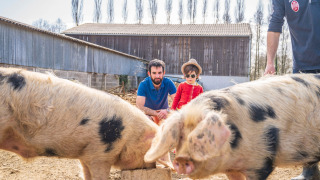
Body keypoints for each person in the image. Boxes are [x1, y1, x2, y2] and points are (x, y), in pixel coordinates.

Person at [265, 1, 320, 179]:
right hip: (302, 66)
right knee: (307, 120)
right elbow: (275, 24)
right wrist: (270, 63)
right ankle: (310, 172)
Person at [136, 59, 176, 125]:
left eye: (159, 73)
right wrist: (156, 113)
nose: (157, 76)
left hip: (165, 114)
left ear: (164, 73)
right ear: (149, 74)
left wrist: (167, 111)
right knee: (144, 120)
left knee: (175, 120)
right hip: (149, 115)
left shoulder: (168, 82)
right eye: (154, 73)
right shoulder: (143, 84)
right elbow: (139, 106)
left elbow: (178, 102)